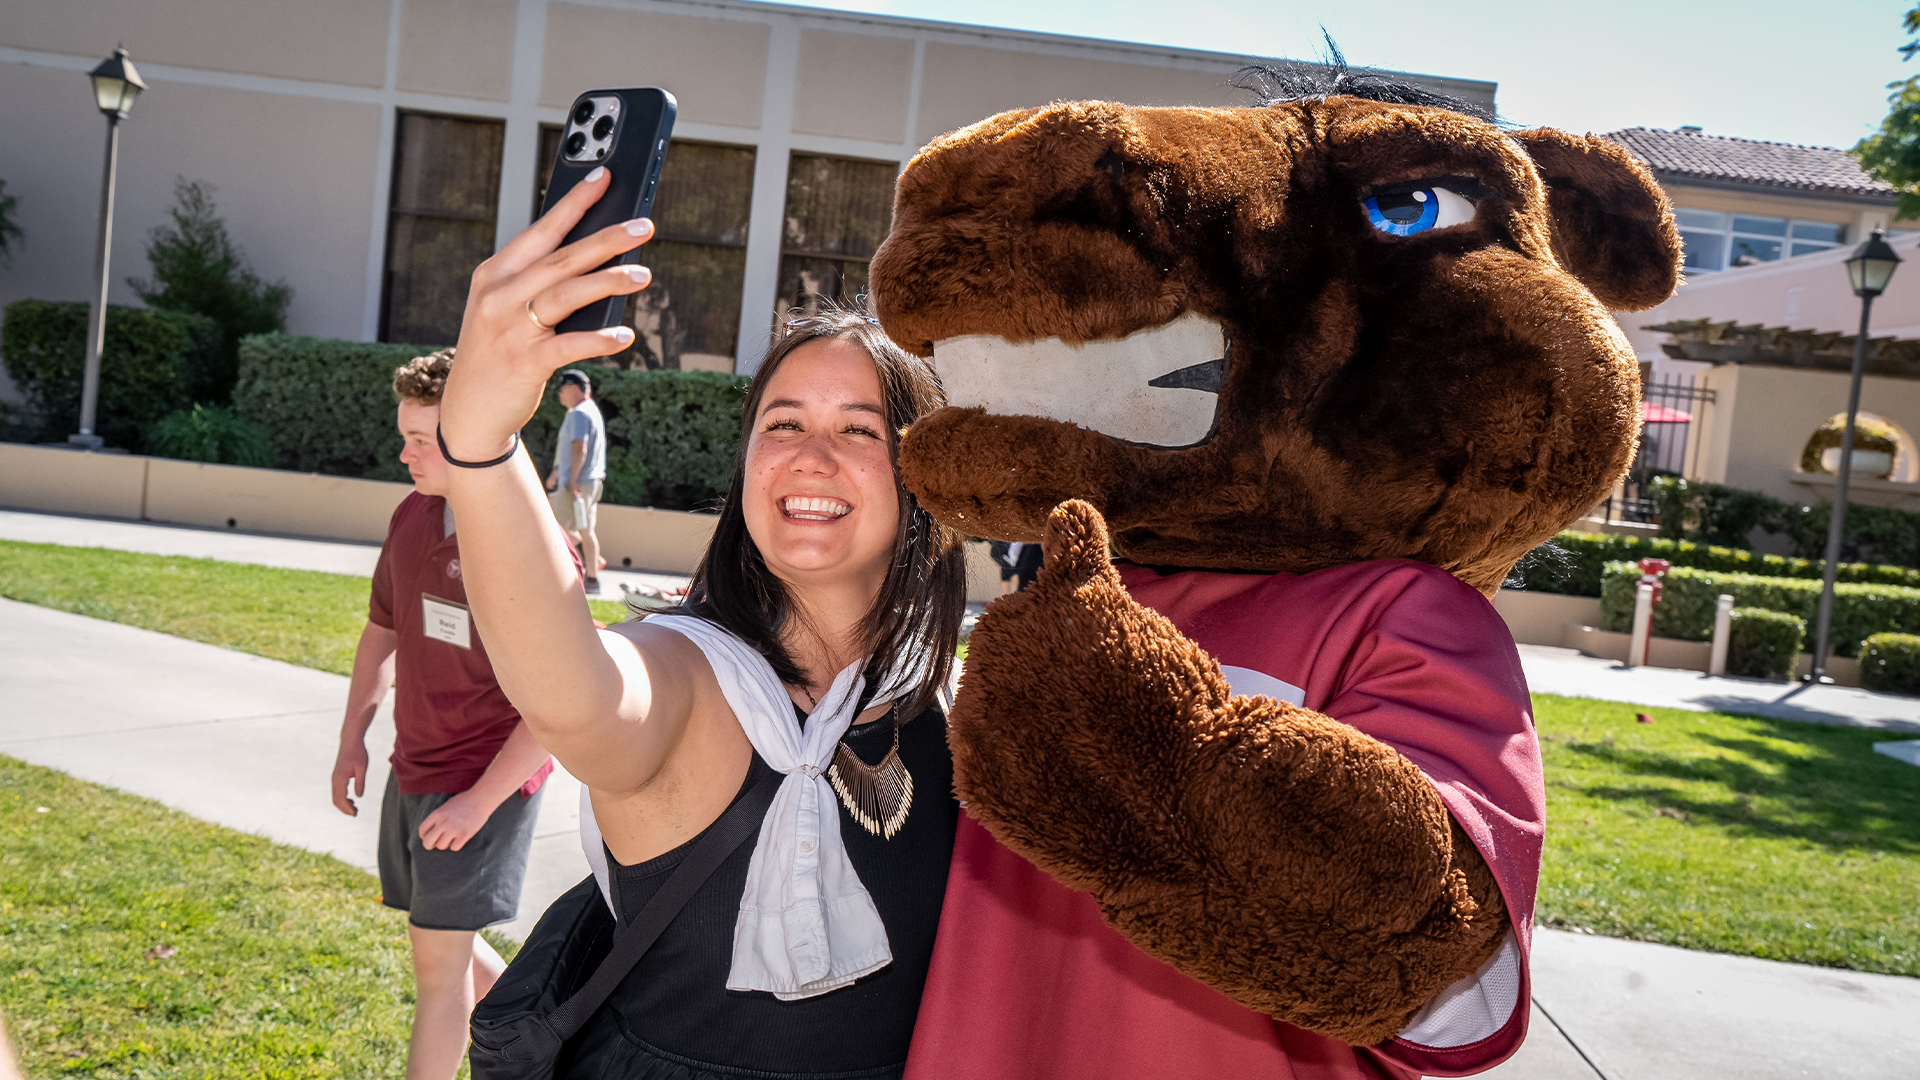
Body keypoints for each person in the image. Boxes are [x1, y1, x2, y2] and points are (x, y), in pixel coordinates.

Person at [436, 169, 967, 1079]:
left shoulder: (947, 697)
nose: (809, 455)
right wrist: (482, 442)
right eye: (782, 422)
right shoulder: (688, 672)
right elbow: (581, 699)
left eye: (861, 431)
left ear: (924, 480)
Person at [328, 347, 576, 1080]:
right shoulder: (411, 514)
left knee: (437, 980)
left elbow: (557, 702)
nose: (403, 453)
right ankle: (552, 1062)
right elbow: (382, 631)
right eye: (404, 434)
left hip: (482, 781)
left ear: (475, 438)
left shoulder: (531, 547)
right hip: (417, 770)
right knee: (450, 946)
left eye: (421, 440)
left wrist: (479, 802)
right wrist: (353, 741)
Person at [545, 368, 606, 594]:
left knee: (556, 529)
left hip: (577, 484)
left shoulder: (579, 413)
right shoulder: (591, 410)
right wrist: (558, 472)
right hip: (590, 481)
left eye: (562, 389)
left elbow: (580, 447)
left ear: (572, 388)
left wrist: (571, 481)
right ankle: (592, 573)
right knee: (585, 529)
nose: (560, 394)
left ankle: (569, 573)